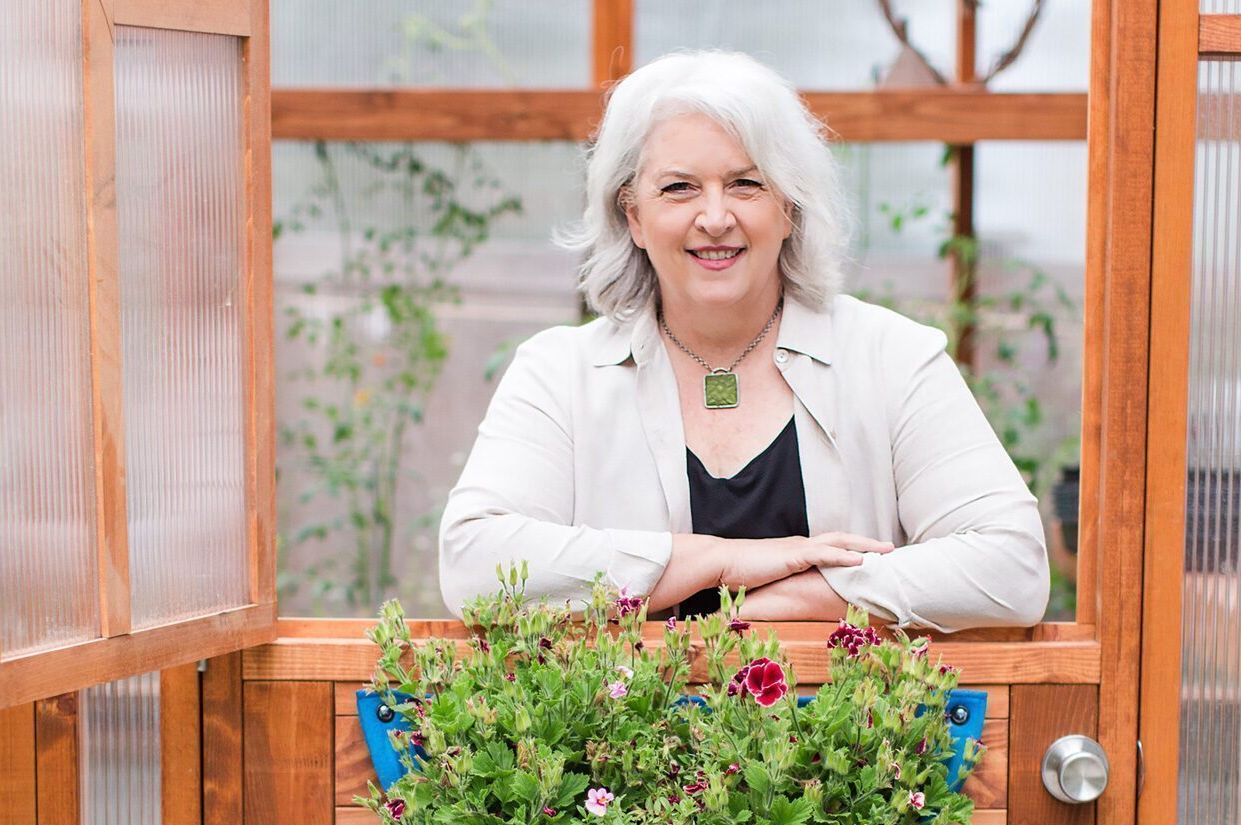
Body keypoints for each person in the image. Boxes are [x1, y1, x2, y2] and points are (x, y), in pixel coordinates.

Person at [439, 50, 1049, 632]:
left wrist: (810, 595)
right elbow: (472, 565)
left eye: (745, 184)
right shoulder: (559, 372)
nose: (714, 217)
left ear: (789, 209)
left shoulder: (893, 358)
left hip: (847, 739)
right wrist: (715, 562)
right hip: (616, 743)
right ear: (633, 216)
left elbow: (1013, 567)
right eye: (679, 188)